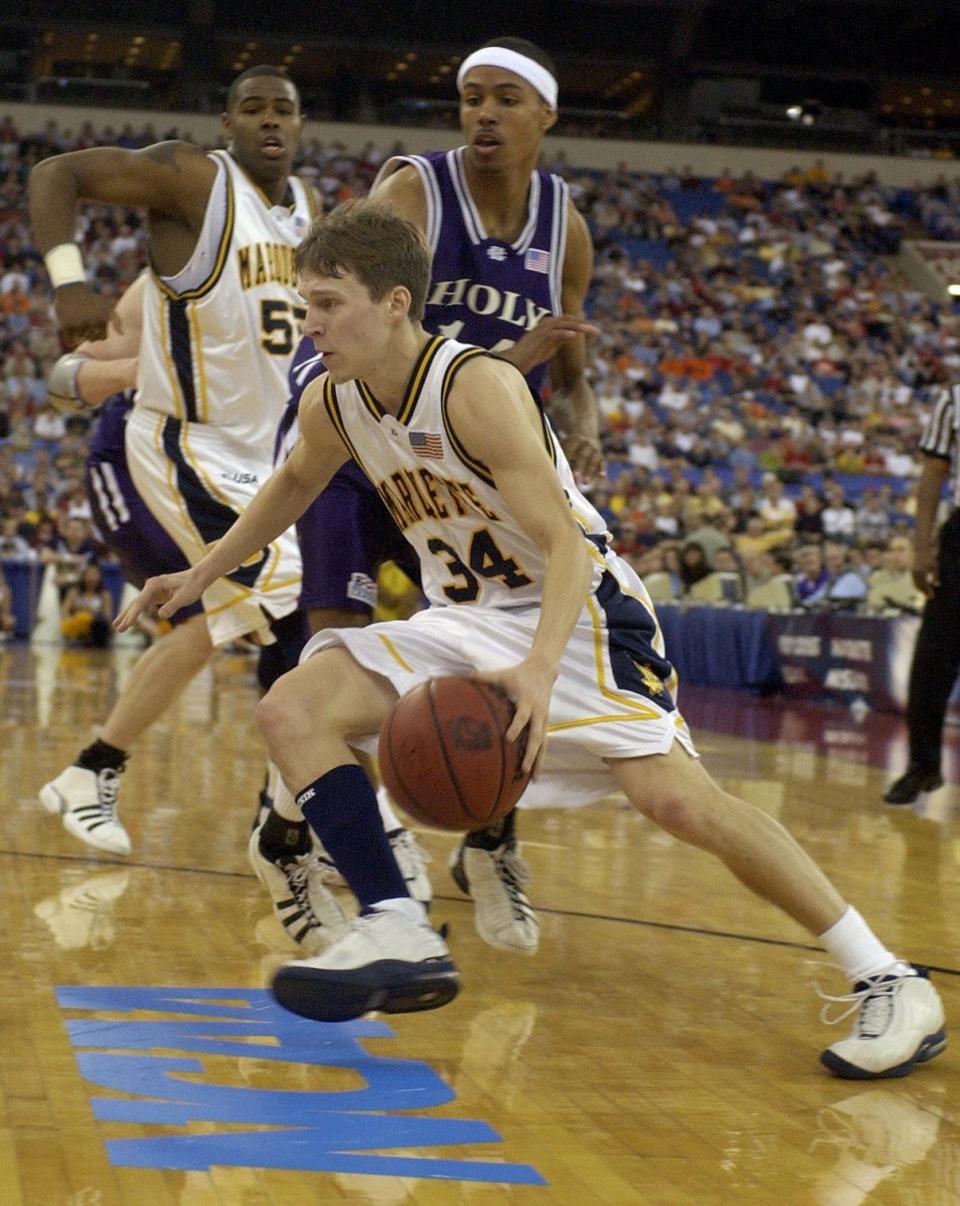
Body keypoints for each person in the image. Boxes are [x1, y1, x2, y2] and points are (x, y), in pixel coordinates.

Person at [118, 200, 946, 1080]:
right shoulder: (335, 400)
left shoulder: (475, 385)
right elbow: (289, 486)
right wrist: (198, 576)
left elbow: (561, 544)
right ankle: (396, 925)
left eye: (327, 303)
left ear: (396, 302)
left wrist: (540, 671)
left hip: (579, 612)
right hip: (469, 614)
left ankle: (887, 977)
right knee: (293, 709)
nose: (310, 323)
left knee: (678, 803)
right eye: (307, 303)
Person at [258, 36, 601, 955]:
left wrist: (585, 415)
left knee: (507, 648)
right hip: (362, 438)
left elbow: (569, 348)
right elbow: (359, 305)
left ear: (545, 115)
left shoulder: (565, 222)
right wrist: (492, 365)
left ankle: (489, 845)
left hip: (465, 467)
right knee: (331, 638)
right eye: (469, 98)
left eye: (504, 99)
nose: (483, 114)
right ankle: (302, 840)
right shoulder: (416, 190)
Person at [29, 66, 348, 951]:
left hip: (263, 464)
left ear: (304, 121)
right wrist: (65, 285)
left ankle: (105, 772)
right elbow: (53, 180)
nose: (270, 120)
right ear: (227, 119)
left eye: (285, 106)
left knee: (267, 627)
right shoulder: (194, 184)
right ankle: (290, 833)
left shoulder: (309, 218)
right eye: (252, 106)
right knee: (269, 616)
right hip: (169, 452)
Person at [884, 385, 960, 805]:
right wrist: (920, 547)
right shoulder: (955, 398)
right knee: (934, 656)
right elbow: (933, 473)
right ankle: (922, 766)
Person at [61, 562, 113, 647]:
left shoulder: (104, 595)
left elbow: (107, 617)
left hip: (96, 629)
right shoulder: (74, 592)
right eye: (89, 574)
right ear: (83, 576)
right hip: (76, 627)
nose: (91, 578)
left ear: (100, 577)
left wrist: (92, 612)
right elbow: (65, 611)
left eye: (94, 574)